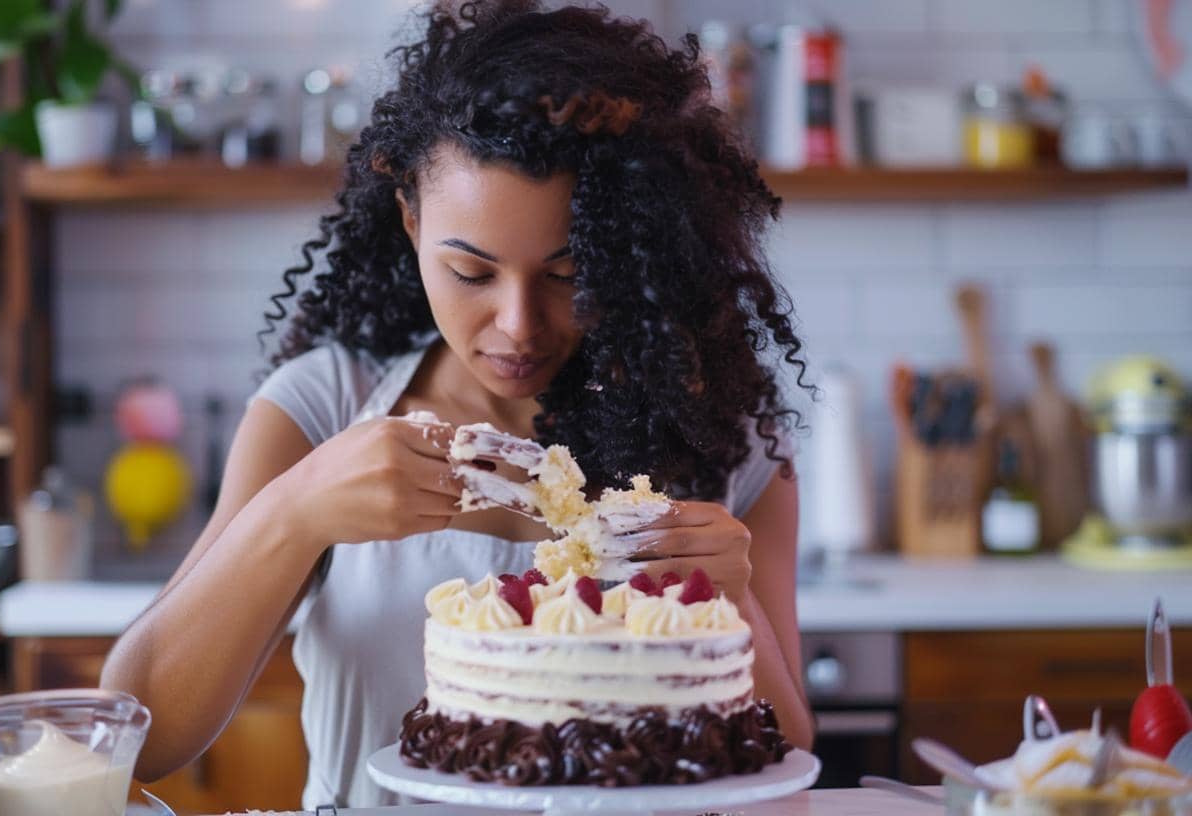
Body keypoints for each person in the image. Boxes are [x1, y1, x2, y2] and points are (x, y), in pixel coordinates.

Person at [101, 1, 813, 808]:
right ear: (410, 221)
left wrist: (730, 598)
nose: (517, 325)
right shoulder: (322, 407)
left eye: (568, 275)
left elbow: (788, 754)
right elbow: (138, 739)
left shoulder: (728, 440)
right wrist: (294, 512)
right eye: (472, 274)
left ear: (633, 254)